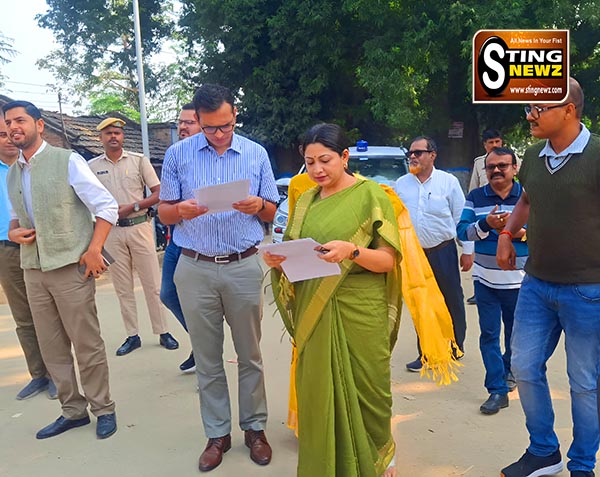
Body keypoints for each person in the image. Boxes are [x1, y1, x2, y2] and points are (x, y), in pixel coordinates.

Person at [264, 123, 401, 477]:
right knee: (318, 390)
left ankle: (378, 457)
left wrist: (352, 251)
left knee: (370, 388)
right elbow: (297, 252)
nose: (317, 170)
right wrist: (279, 261)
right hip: (316, 307)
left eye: (325, 160)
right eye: (310, 162)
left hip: (361, 307)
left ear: (344, 156)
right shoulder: (305, 201)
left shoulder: (371, 196)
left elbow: (387, 261)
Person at [158, 83, 279, 472]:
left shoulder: (255, 153)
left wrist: (259, 205)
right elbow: (163, 211)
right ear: (197, 120)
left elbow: (273, 210)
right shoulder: (178, 154)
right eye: (210, 128)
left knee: (250, 355)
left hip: (243, 264)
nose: (219, 134)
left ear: (234, 115)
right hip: (195, 266)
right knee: (208, 359)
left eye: (225, 125)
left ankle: (255, 429)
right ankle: (217, 434)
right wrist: (181, 211)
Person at [497, 78, 600, 477]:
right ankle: (544, 451)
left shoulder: (596, 155)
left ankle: (582, 464)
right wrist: (507, 234)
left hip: (588, 290)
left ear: (569, 110)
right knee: (523, 367)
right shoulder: (533, 154)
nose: (530, 116)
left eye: (539, 108)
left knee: (584, 383)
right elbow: (527, 197)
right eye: (528, 108)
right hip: (537, 284)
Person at [4, 100, 117, 439]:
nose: (13, 127)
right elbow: (15, 218)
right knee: (51, 346)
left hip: (70, 266)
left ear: (39, 125)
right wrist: (13, 233)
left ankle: (103, 408)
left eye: (20, 120)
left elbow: (106, 206)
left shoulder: (67, 161)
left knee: (86, 343)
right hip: (33, 269)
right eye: (8, 122)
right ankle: (73, 411)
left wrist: (94, 250)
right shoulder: (13, 172)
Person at [89, 118, 179, 356]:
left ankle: (163, 331)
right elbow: (87, 198)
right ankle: (132, 335)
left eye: (117, 133)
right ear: (100, 138)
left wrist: (134, 206)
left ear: (123, 136)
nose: (113, 136)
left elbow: (159, 192)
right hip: (111, 232)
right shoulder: (92, 167)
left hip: (140, 228)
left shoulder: (139, 161)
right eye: (108, 133)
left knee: (153, 284)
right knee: (122, 287)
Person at [457, 147, 527, 415]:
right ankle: (497, 390)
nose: (496, 170)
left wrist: (519, 233)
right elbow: (462, 231)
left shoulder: (528, 195)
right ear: (485, 171)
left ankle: (508, 371)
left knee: (515, 336)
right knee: (489, 335)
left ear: (514, 168)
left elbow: (547, 231)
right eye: (491, 167)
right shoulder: (476, 197)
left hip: (521, 284)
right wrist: (485, 224)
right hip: (485, 281)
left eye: (502, 166)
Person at [394, 136, 473, 372]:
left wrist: (467, 251)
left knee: (451, 300)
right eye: (410, 153)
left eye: (418, 152)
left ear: (432, 155)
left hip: (443, 251)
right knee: (421, 303)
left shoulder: (448, 182)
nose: (413, 156)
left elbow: (461, 217)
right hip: (414, 255)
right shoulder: (401, 184)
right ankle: (426, 352)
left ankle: (455, 346)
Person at [0, 119, 56, 401]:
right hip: (7, 250)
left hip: (41, 244)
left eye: (11, 131)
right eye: (1, 134)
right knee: (23, 317)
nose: (8, 137)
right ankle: (38, 375)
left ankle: (59, 374)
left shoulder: (37, 164)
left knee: (51, 314)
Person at [159, 103, 202, 373]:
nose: (183, 127)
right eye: (180, 122)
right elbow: (165, 205)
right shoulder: (174, 156)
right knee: (168, 293)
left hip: (204, 244)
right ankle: (202, 342)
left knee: (204, 303)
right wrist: (176, 210)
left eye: (190, 122)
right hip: (177, 239)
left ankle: (205, 349)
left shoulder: (210, 160)